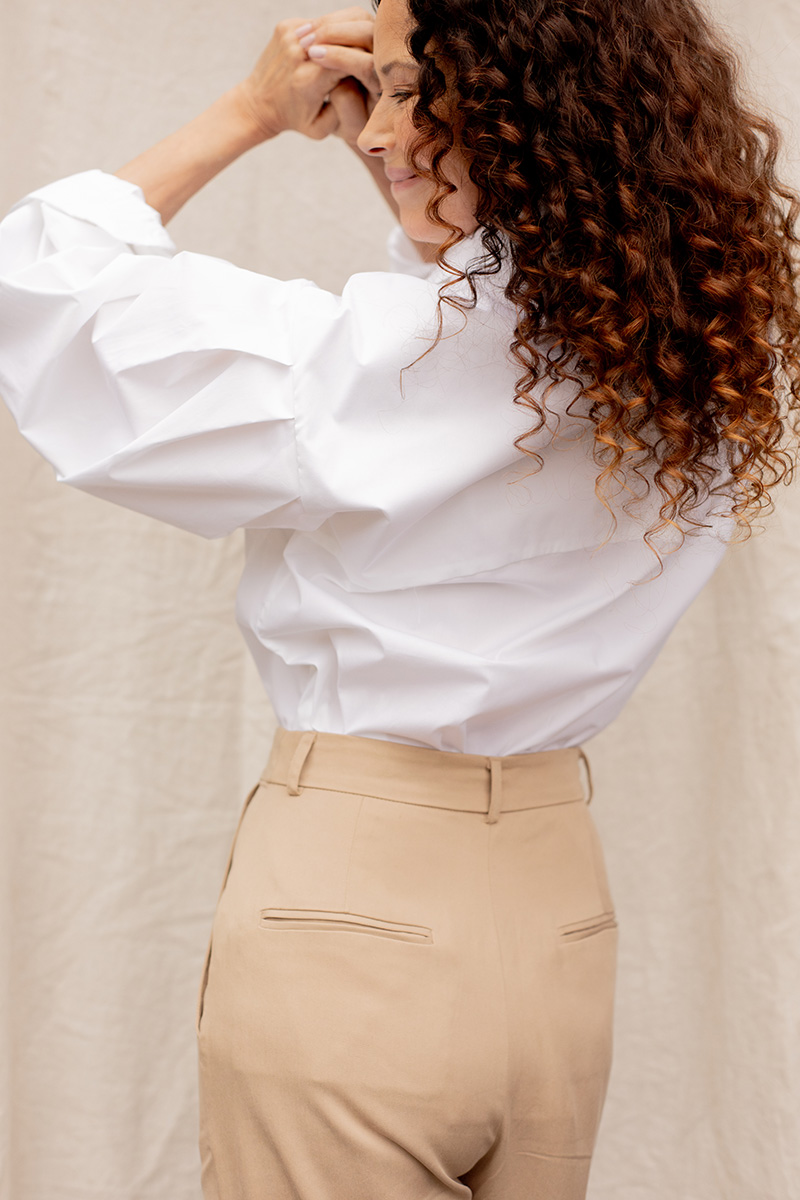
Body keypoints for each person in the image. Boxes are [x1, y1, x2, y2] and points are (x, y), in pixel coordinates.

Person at [0, 0, 798, 1196]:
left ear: (533, 113)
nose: (377, 134)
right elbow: (478, 304)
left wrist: (247, 113)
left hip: (350, 907)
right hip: (557, 920)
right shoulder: (685, 363)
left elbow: (45, 291)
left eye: (420, 91)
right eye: (375, 90)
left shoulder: (376, 368)